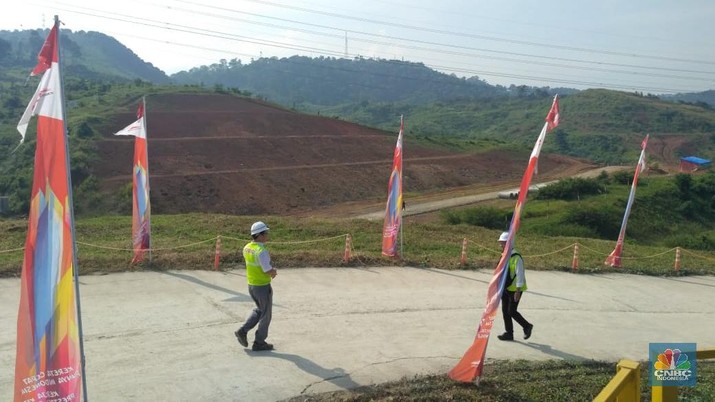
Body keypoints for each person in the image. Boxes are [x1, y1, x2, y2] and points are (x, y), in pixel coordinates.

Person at [235, 221, 277, 351]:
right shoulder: (261, 251)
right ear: (259, 235)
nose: (267, 235)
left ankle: (243, 330)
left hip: (252, 285)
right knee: (266, 314)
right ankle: (259, 342)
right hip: (262, 286)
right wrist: (273, 272)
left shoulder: (247, 247)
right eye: (266, 233)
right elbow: (266, 269)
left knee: (259, 310)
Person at [496, 231, 534, 341]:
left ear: (509, 243)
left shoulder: (516, 257)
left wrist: (518, 291)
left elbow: (520, 275)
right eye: (501, 243)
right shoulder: (504, 256)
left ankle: (527, 326)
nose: (501, 245)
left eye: (503, 243)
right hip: (505, 287)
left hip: (515, 289)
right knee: (505, 311)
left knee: (511, 311)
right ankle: (509, 333)